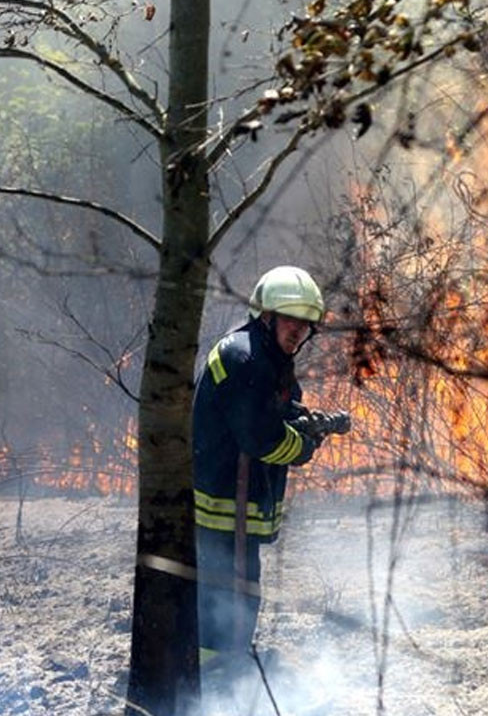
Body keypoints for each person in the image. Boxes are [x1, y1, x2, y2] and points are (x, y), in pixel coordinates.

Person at [190, 265, 342, 686]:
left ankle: (226, 671)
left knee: (238, 597)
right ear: (267, 316)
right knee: (224, 601)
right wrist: (304, 446)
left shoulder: (262, 357)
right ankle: (210, 684)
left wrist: (304, 422)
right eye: (291, 320)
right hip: (223, 511)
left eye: (305, 325)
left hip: (235, 512)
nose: (298, 331)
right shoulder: (247, 359)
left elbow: (274, 411)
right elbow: (261, 437)